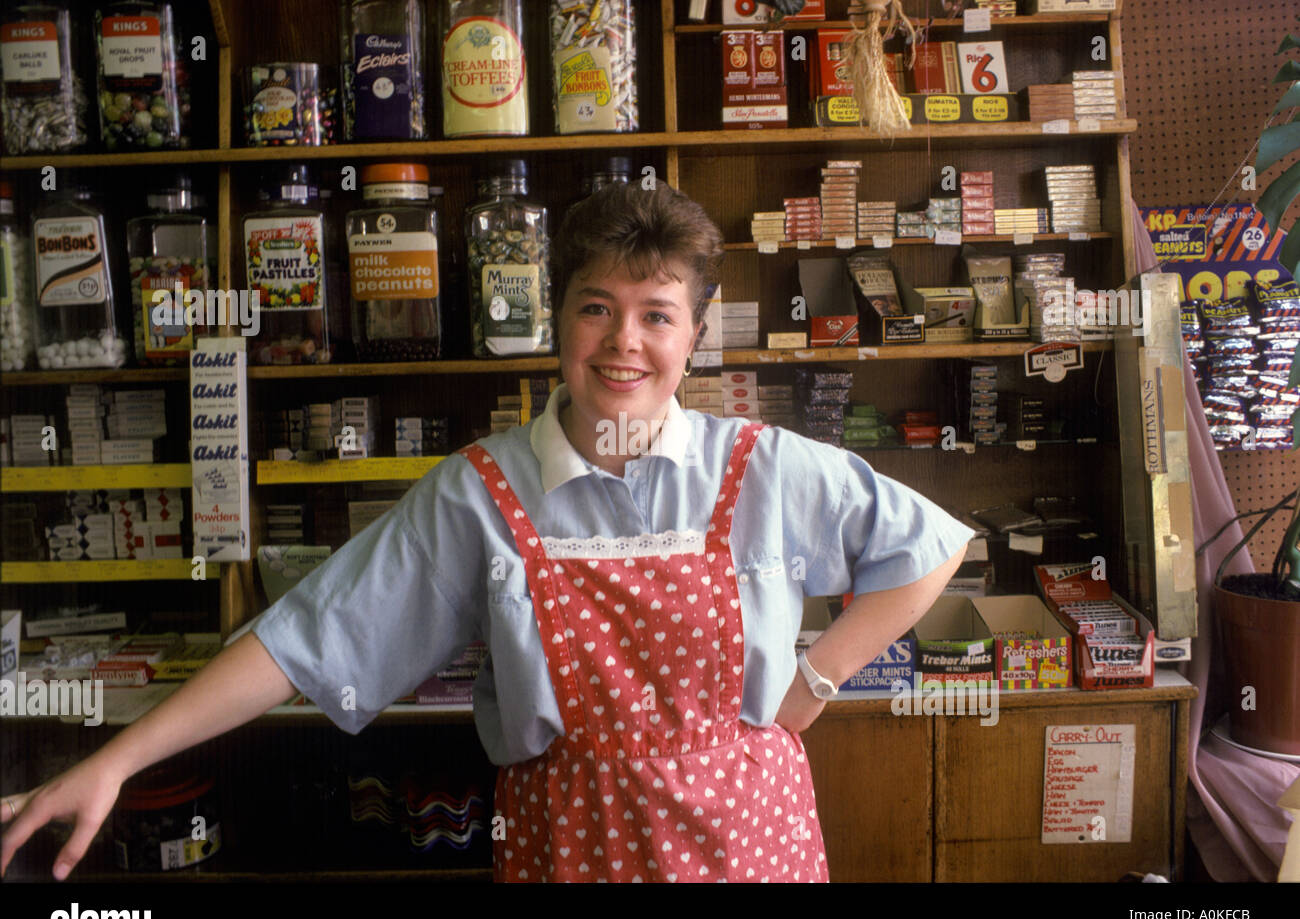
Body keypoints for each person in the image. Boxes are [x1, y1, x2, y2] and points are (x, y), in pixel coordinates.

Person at [1, 182, 970, 883]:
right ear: (558, 320)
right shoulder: (479, 495)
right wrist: (116, 758)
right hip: (565, 851)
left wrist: (814, 678)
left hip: (751, 852)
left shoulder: (760, 467)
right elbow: (304, 637)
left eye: (656, 315)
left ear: (694, 334)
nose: (624, 341)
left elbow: (930, 545)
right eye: (597, 308)